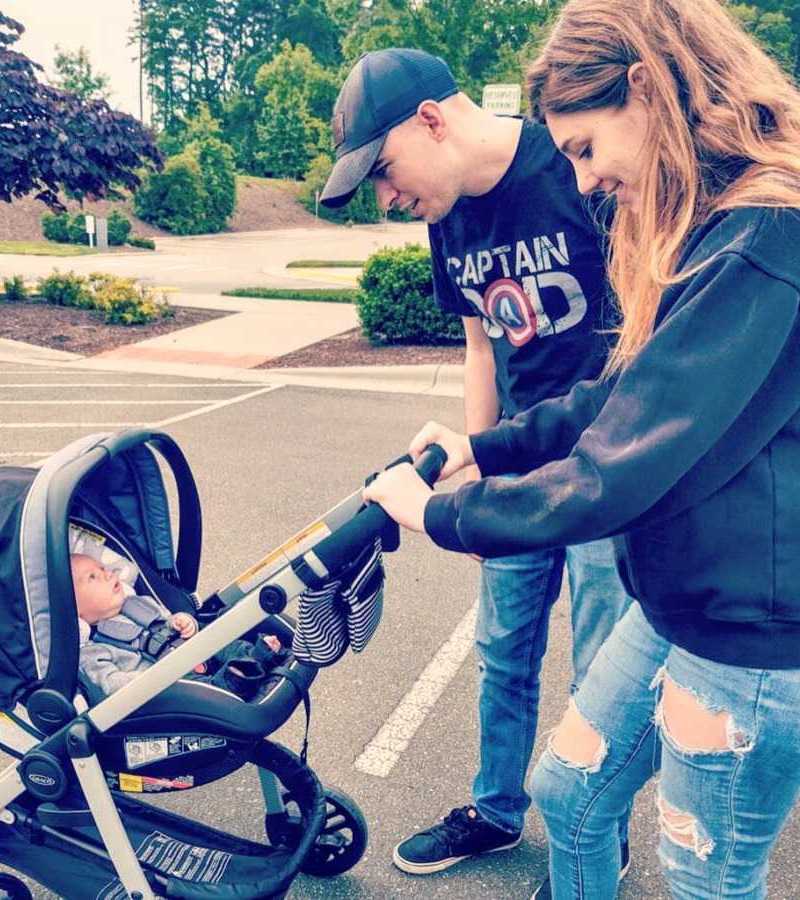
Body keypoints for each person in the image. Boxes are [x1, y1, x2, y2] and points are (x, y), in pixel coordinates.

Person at [362, 1, 800, 896]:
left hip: (746, 638)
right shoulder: (717, 225)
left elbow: (617, 471)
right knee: (568, 795)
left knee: (706, 878)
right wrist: (487, 450)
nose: (586, 179)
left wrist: (445, 512)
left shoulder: (763, 237)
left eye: (588, 149)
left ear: (649, 91)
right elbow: (618, 396)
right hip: (678, 601)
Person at [320, 48, 633, 877]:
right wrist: (480, 466)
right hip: (512, 467)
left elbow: (641, 338)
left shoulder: (578, 166)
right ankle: (496, 810)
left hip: (607, 466)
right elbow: (480, 348)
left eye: (383, 170)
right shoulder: (445, 212)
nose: (387, 198)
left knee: (603, 661)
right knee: (504, 651)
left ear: (431, 119)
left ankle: (597, 826)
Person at [71, 554, 285, 699]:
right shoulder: (93, 650)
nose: (107, 573)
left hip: (194, 648)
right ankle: (238, 678)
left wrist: (184, 622)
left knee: (222, 639)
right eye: (93, 576)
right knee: (201, 692)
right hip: (171, 681)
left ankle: (258, 655)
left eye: (102, 568)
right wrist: (147, 680)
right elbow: (109, 684)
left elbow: (169, 620)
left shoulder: (140, 604)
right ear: (76, 607)